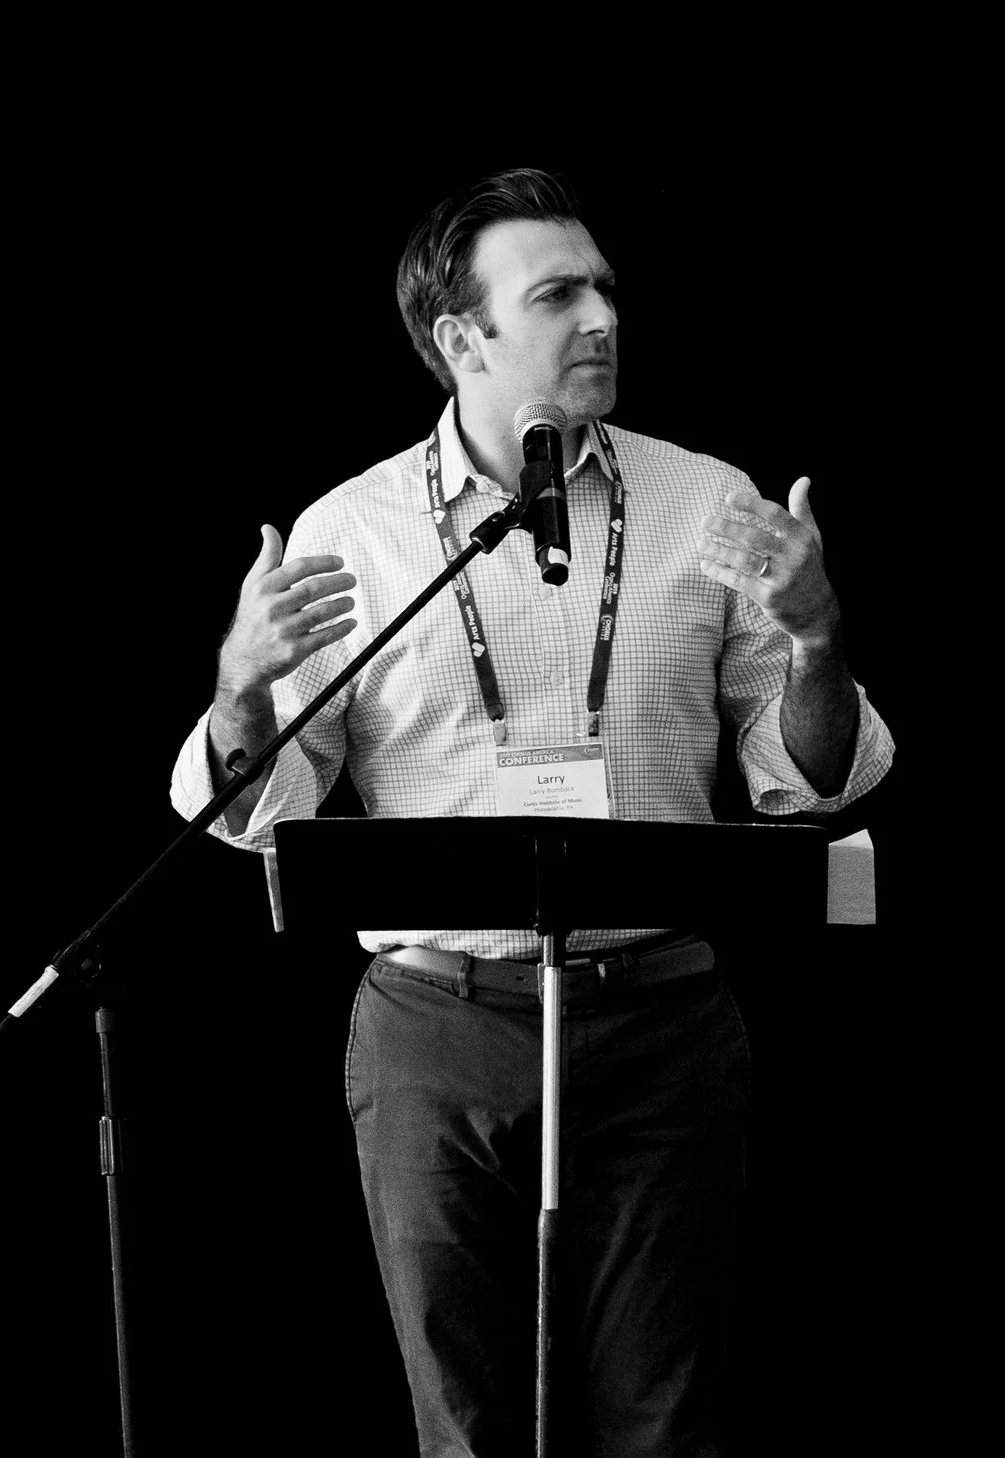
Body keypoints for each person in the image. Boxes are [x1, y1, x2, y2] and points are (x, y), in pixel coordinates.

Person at [166, 169, 894, 1454]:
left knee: (663, 1426)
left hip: (660, 1026)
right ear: (461, 338)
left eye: (605, 287)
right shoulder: (357, 532)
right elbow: (251, 810)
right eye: (558, 293)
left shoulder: (711, 506)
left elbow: (810, 783)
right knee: (464, 1426)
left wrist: (820, 640)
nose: (603, 316)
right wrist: (237, 689)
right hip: (435, 1036)